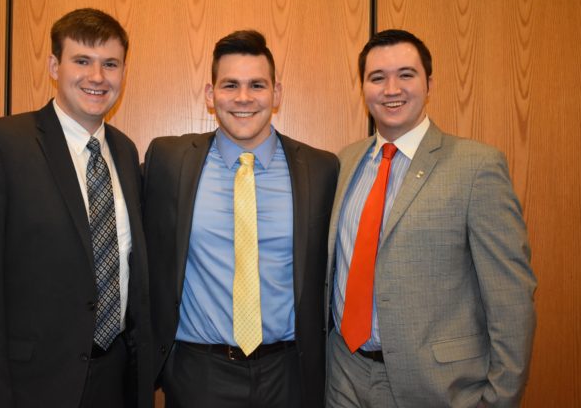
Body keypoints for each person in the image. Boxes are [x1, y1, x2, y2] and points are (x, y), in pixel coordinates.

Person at [0, 8, 152, 408]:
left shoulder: (125, 152)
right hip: (26, 385)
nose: (97, 76)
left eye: (110, 63)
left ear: (124, 72)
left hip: (112, 381)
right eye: (82, 61)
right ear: (55, 66)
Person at [325, 29, 536, 408]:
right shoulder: (343, 162)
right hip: (343, 376)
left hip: (437, 386)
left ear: (429, 83)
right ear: (363, 87)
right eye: (377, 77)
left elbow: (511, 298)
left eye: (406, 74)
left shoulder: (476, 166)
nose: (392, 89)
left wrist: (500, 398)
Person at [143, 30, 338, 408]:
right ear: (210, 94)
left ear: (276, 94)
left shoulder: (321, 168)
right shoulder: (169, 160)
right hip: (198, 373)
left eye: (257, 85)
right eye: (230, 84)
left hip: (289, 373)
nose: (244, 98)